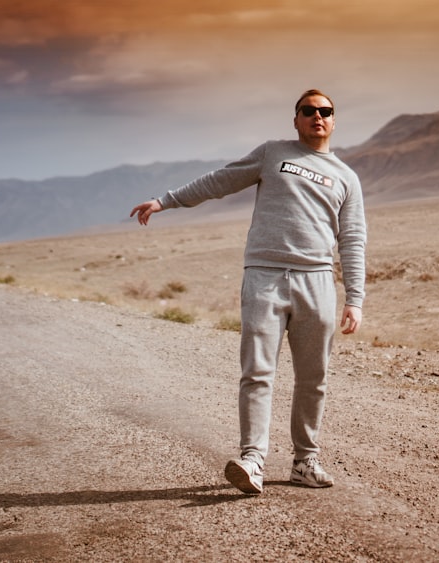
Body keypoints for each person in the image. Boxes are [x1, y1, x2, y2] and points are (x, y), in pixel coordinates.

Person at [129, 89, 366, 494]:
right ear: (295, 119)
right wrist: (166, 201)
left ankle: (305, 462)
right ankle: (252, 460)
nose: (317, 117)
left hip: (318, 282)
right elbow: (220, 180)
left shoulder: (346, 176)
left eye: (325, 111)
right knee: (257, 373)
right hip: (265, 277)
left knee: (314, 378)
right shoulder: (274, 154)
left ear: (334, 120)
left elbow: (353, 240)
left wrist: (355, 299)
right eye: (308, 111)